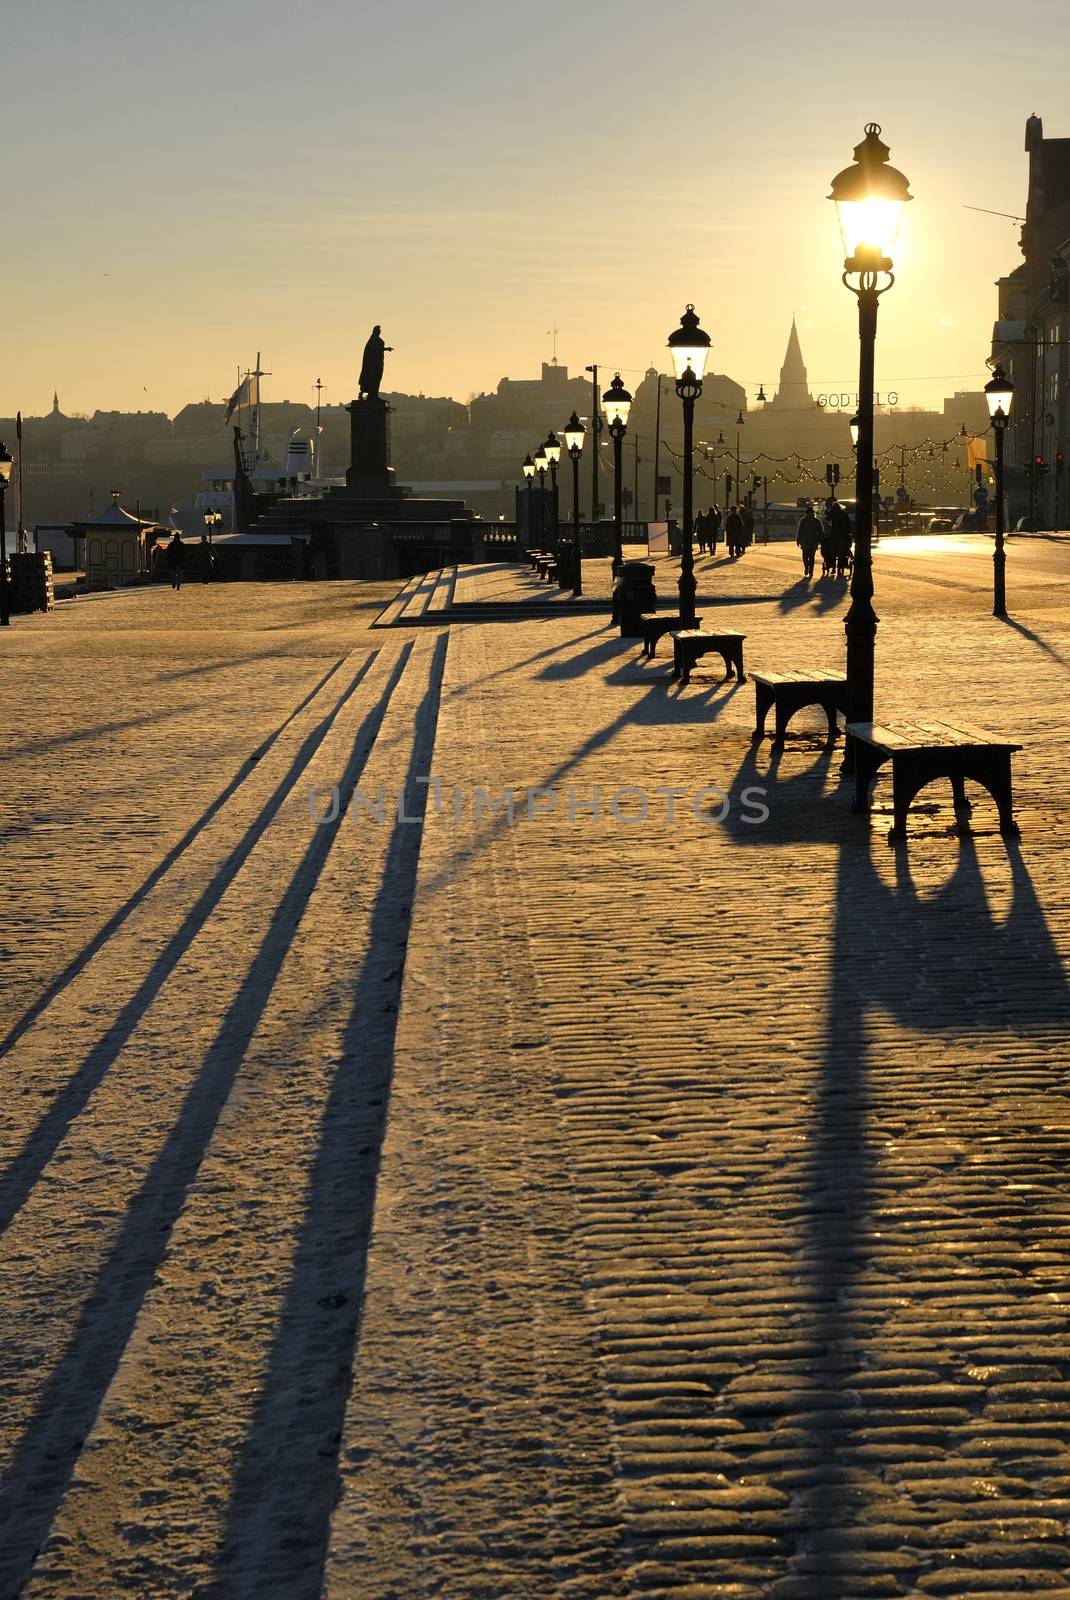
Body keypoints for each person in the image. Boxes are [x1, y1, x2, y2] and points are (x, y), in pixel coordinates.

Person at [829, 500, 853, 579]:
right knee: (841, 553)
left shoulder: (832, 512)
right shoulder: (843, 513)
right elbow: (848, 523)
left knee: (833, 552)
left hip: (834, 535)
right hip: (842, 535)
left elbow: (827, 518)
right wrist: (849, 532)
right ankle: (839, 569)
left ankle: (833, 568)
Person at [796, 504, 822, 578]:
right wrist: (819, 538)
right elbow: (821, 530)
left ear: (806, 513)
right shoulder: (817, 521)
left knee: (805, 557)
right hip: (813, 542)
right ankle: (811, 571)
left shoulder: (803, 520)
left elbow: (799, 531)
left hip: (805, 542)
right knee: (811, 557)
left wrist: (798, 540)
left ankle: (807, 568)